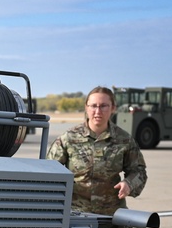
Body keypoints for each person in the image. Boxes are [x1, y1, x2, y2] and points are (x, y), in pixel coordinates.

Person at [46, 86, 147, 216]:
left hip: (111, 216)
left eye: (103, 106)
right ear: (86, 108)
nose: (98, 111)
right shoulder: (68, 138)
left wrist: (129, 184)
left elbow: (139, 171)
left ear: (113, 108)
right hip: (75, 216)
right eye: (93, 106)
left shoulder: (124, 140)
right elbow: (49, 171)